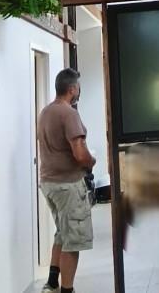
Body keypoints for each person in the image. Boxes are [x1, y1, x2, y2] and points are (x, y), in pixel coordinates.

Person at [38, 68, 96, 293]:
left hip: (49, 183)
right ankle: (67, 290)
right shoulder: (69, 114)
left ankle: (52, 283)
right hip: (67, 185)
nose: (79, 90)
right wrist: (91, 162)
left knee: (62, 232)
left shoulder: (45, 112)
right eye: (78, 86)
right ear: (72, 89)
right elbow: (80, 154)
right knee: (73, 241)